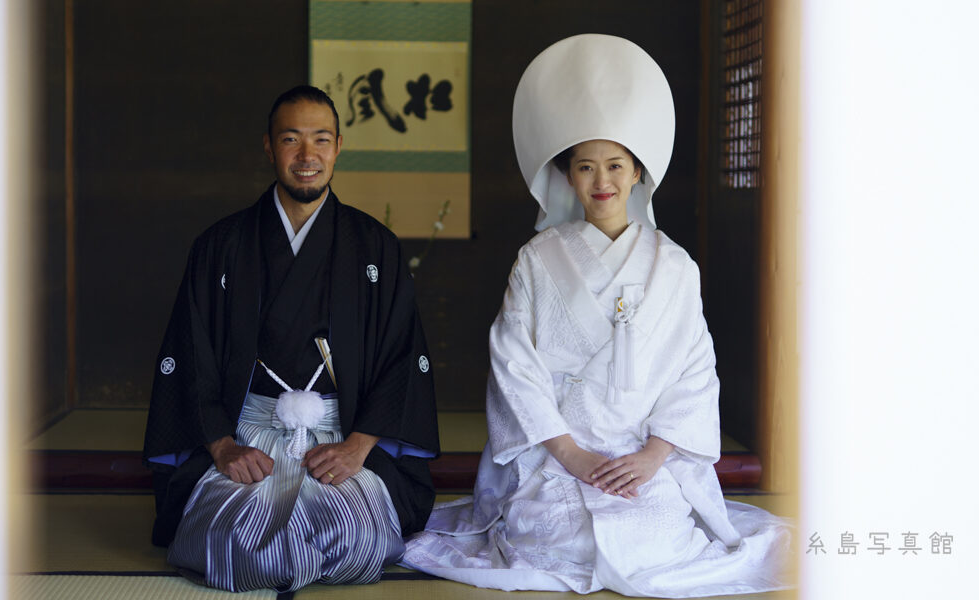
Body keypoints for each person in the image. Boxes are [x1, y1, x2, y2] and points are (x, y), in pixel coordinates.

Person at [400, 35, 791, 597]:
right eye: (585, 167)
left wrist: (654, 455)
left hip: (644, 455)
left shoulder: (675, 266)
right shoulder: (536, 260)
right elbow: (513, 362)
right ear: (567, 176)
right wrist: (571, 454)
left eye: (615, 165)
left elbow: (695, 369)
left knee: (656, 539)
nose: (601, 182)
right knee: (555, 541)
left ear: (637, 174)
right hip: (556, 455)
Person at [142, 85, 440, 593]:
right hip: (247, 432)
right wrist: (220, 446)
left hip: (340, 435)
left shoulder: (375, 247)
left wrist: (359, 445)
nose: (307, 156)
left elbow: (401, 355)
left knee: (358, 539)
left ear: (339, 146)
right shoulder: (221, 246)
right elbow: (189, 352)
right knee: (233, 540)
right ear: (268, 146)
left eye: (321, 140)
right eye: (291, 140)